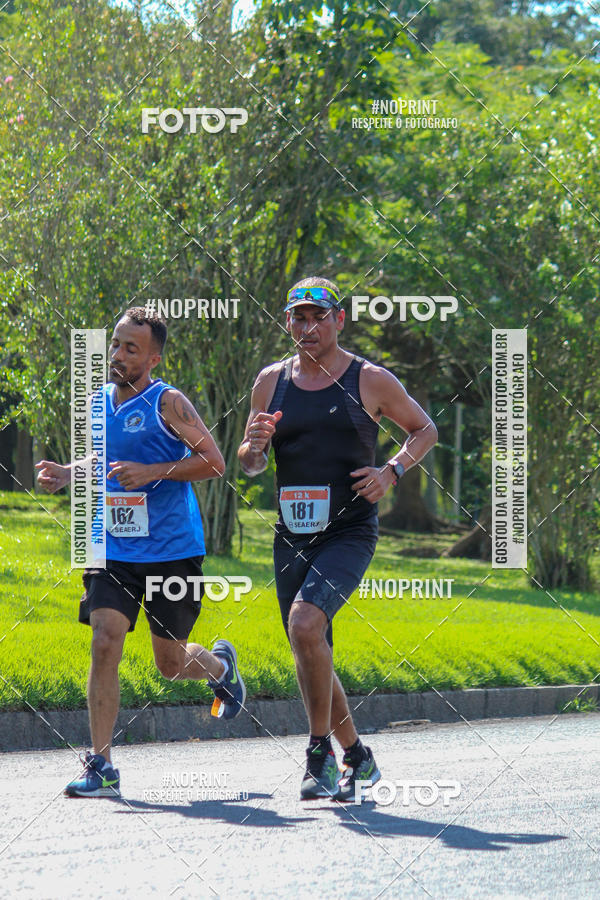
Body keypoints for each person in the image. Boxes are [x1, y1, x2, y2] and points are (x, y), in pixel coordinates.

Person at [238, 277, 437, 801]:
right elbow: (251, 462)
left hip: (349, 530)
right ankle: (358, 757)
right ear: (288, 322)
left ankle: (318, 754)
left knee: (305, 624)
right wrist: (253, 447)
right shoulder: (270, 382)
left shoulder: (368, 379)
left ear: (339, 320)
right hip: (292, 534)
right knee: (310, 644)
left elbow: (425, 429)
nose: (308, 327)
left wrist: (391, 472)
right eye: (299, 318)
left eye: (319, 317)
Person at [37, 307, 245, 798]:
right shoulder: (97, 402)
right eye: (115, 344)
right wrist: (69, 472)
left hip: (172, 551)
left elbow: (213, 462)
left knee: (169, 664)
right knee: (105, 639)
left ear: (153, 358)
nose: (118, 354)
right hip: (113, 547)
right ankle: (101, 764)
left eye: (131, 348)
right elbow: (104, 459)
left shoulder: (168, 402)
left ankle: (220, 668)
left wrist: (153, 472)